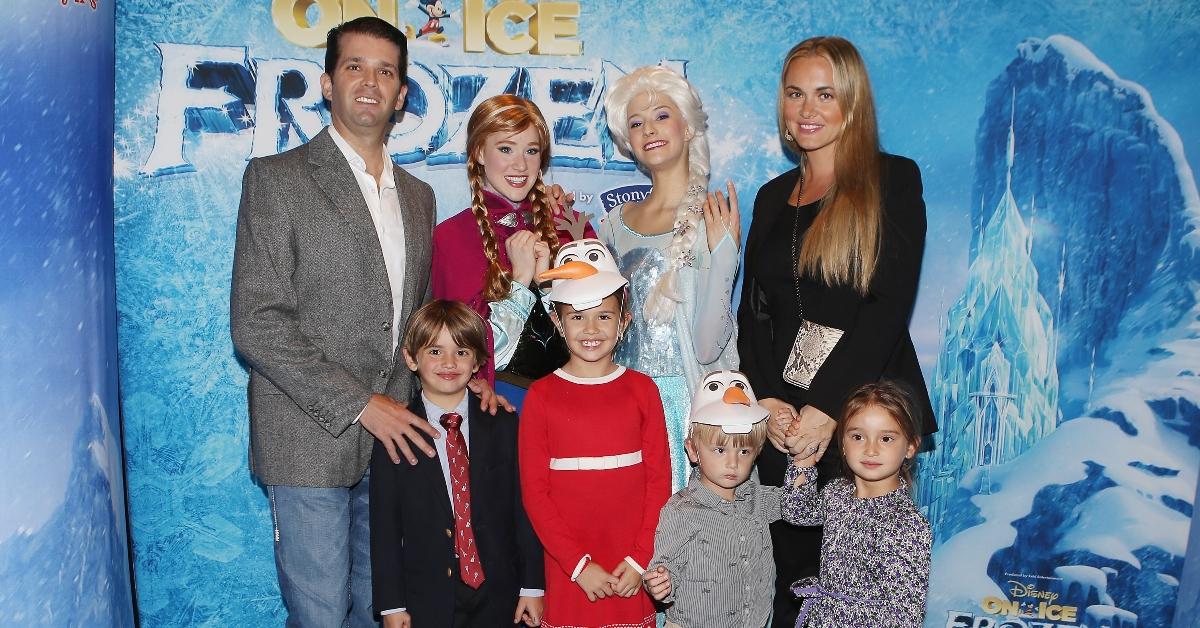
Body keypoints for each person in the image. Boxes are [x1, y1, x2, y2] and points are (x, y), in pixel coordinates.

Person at [229, 17, 501, 626]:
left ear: (403, 94)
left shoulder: (418, 196)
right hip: (307, 442)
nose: (370, 82)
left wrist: (460, 377)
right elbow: (257, 321)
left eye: (386, 71)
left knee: (386, 610)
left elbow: (418, 323)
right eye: (355, 67)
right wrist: (361, 404)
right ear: (327, 83)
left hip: (396, 445)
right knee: (323, 615)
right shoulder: (276, 180)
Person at [735, 36, 937, 626]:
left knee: (863, 596)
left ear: (851, 104)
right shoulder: (772, 196)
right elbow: (754, 311)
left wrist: (829, 409)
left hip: (859, 421)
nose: (807, 109)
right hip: (784, 424)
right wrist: (768, 399)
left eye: (825, 94)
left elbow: (887, 305)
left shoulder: (893, 179)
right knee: (789, 589)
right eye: (796, 93)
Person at [518, 240, 672, 628]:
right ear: (557, 321)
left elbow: (659, 483)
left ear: (625, 320)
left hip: (630, 569)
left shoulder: (643, 391)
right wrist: (577, 566)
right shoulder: (540, 396)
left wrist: (639, 560)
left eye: (603, 317)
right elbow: (535, 495)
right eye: (577, 317)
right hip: (569, 570)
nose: (590, 329)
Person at [601, 65, 741, 491]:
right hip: (622, 406)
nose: (650, 130)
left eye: (662, 115)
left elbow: (705, 346)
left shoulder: (713, 215)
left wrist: (725, 256)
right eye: (637, 122)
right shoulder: (611, 224)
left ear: (687, 124)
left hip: (689, 404)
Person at [369, 300, 544, 627]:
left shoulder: (503, 425)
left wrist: (532, 584)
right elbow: (385, 530)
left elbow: (525, 510)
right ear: (410, 357)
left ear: (478, 360)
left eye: (462, 352)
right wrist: (392, 606)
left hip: (501, 593)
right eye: (435, 351)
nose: (449, 362)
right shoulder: (394, 433)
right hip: (427, 598)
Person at [432, 94, 594, 401]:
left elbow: (602, 326)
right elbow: (456, 354)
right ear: (479, 151)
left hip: (576, 402)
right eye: (506, 148)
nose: (520, 165)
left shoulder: (569, 224)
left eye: (531, 151)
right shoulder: (451, 237)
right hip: (502, 408)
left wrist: (547, 283)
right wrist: (519, 282)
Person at [642, 371, 807, 628]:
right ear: (693, 450)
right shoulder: (681, 510)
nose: (733, 462)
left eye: (744, 451)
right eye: (720, 450)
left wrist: (799, 455)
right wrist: (661, 581)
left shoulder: (757, 500)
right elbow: (665, 566)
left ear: (756, 453)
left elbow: (800, 505)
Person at [782, 381, 932, 627]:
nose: (870, 449)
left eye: (886, 438)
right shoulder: (837, 493)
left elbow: (904, 617)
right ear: (842, 443)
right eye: (858, 436)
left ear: (911, 446)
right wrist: (803, 458)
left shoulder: (906, 524)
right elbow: (797, 511)